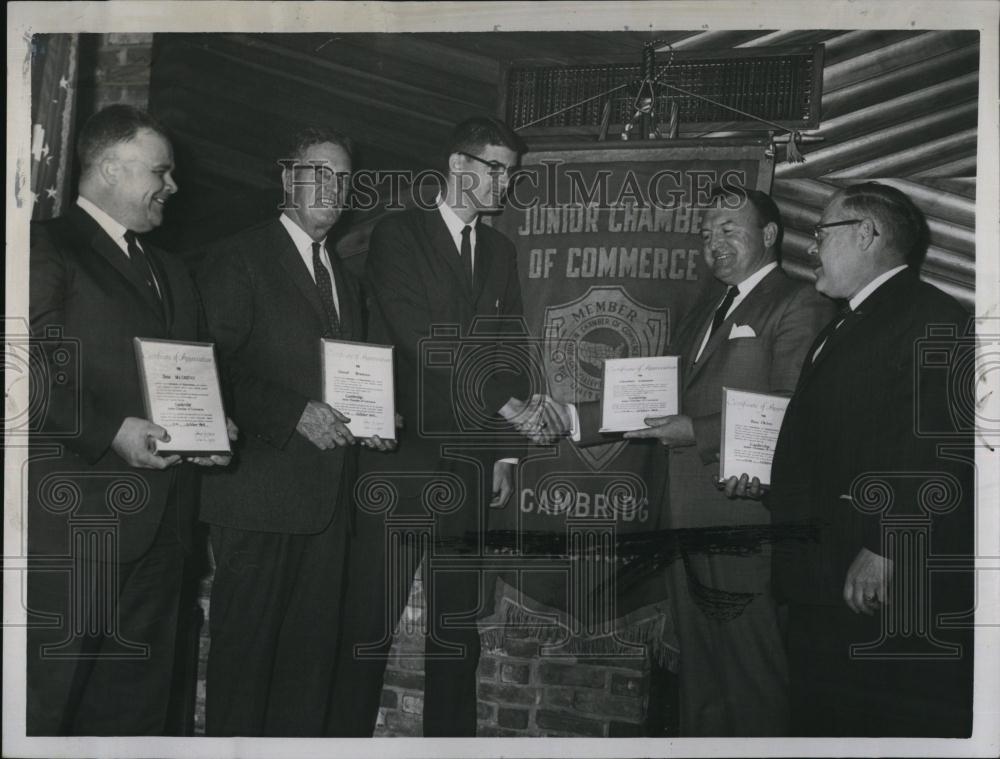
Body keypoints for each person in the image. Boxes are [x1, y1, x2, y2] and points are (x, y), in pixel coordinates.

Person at [327, 116, 546, 737]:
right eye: (497, 169)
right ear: (458, 166)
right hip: (401, 466)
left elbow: (511, 347)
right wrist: (508, 406)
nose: (506, 184)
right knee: (370, 626)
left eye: (513, 173)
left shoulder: (500, 250)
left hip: (473, 470)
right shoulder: (399, 235)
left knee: (457, 632)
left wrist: (504, 453)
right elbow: (426, 341)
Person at [27, 104, 230, 735]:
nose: (173, 187)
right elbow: (19, 372)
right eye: (161, 171)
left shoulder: (171, 269)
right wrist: (110, 430)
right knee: (49, 701)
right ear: (111, 167)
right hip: (77, 528)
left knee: (134, 708)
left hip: (163, 529)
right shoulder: (44, 245)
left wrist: (213, 432)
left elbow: (189, 376)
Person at [745, 182, 974, 736]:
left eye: (822, 233)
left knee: (867, 724)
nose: (810, 247)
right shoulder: (848, 320)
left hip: (871, 580)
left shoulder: (931, 316)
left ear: (867, 234)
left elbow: (939, 448)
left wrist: (886, 546)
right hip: (825, 576)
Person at [197, 127, 393, 736]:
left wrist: (376, 419)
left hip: (328, 507)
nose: (332, 189)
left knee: (307, 674)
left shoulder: (345, 275)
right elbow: (209, 367)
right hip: (257, 501)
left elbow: (345, 378)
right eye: (319, 173)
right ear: (288, 178)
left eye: (343, 178)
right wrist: (292, 413)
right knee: (245, 668)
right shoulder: (238, 257)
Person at [621, 188, 835, 735]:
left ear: (769, 235)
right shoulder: (707, 308)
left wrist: (692, 431)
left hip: (746, 518)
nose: (713, 242)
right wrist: (573, 419)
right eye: (706, 232)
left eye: (728, 229)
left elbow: (795, 417)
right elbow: (660, 397)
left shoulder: (800, 302)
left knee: (750, 675)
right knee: (701, 674)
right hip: (687, 516)